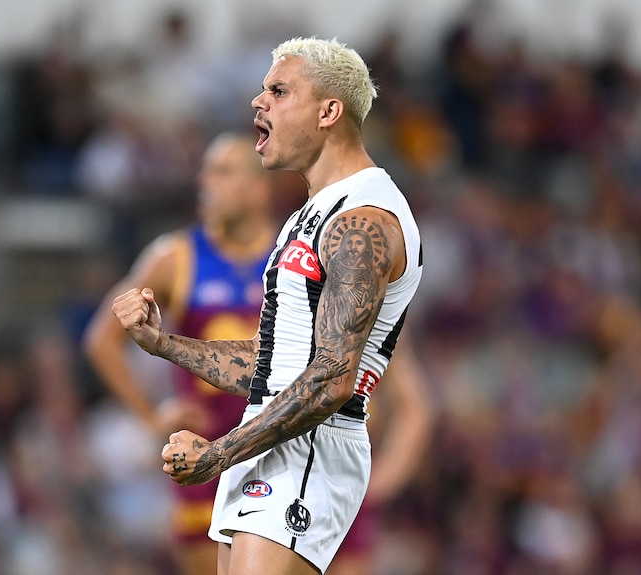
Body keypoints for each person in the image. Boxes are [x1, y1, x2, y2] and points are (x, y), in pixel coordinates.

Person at [112, 37, 423, 575]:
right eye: (262, 90)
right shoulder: (312, 214)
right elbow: (272, 360)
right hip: (274, 442)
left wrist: (216, 454)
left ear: (330, 112)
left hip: (308, 449)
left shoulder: (362, 221)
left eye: (279, 91)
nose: (259, 102)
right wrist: (164, 345)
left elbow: (330, 380)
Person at [83, 132, 279, 575]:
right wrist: (152, 418)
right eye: (205, 171)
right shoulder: (177, 257)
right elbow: (102, 339)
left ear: (258, 187)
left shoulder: (294, 255)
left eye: (223, 171)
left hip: (279, 449)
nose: (206, 182)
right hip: (204, 458)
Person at [326, 333, 434, 575]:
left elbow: (415, 410)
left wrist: (376, 486)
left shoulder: (372, 308)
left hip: (342, 485)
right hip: (262, 475)